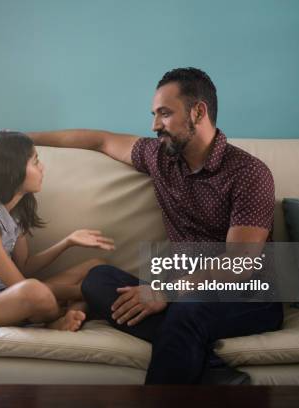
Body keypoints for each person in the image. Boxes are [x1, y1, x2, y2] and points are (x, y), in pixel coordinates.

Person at [28, 67, 284, 383]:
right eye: (154, 114)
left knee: (187, 307)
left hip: (248, 297)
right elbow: (100, 140)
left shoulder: (249, 173)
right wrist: (20, 138)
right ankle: (212, 371)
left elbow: (239, 264)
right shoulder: (159, 156)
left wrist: (166, 290)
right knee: (97, 280)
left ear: (198, 112)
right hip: (183, 292)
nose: (154, 126)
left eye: (164, 113)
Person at [0, 130, 115, 331]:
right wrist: (82, 291)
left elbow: (24, 266)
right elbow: (18, 284)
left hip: (7, 294)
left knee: (97, 267)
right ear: (12, 170)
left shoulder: (14, 212)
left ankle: (70, 312)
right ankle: (60, 316)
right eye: (35, 162)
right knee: (34, 291)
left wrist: (68, 242)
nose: (42, 168)